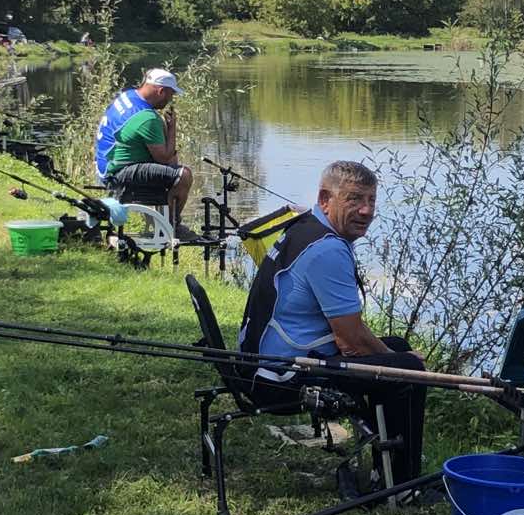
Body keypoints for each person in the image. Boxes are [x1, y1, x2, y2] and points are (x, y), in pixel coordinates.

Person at [238, 160, 426, 486]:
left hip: (261, 362)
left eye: (371, 200)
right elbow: (350, 342)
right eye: (354, 199)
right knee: (407, 371)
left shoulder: (306, 227)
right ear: (325, 198)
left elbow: (351, 335)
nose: (366, 210)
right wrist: (403, 366)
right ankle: (404, 485)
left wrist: (394, 358)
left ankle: (387, 467)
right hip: (280, 377)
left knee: (397, 350)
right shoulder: (328, 250)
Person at [93, 67, 194, 235]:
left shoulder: (128, 97)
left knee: (171, 167)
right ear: (161, 91)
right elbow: (163, 158)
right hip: (118, 174)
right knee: (183, 175)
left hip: (105, 168)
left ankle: (161, 224)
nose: (171, 100)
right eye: (171, 95)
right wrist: (171, 128)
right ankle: (170, 227)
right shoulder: (147, 117)